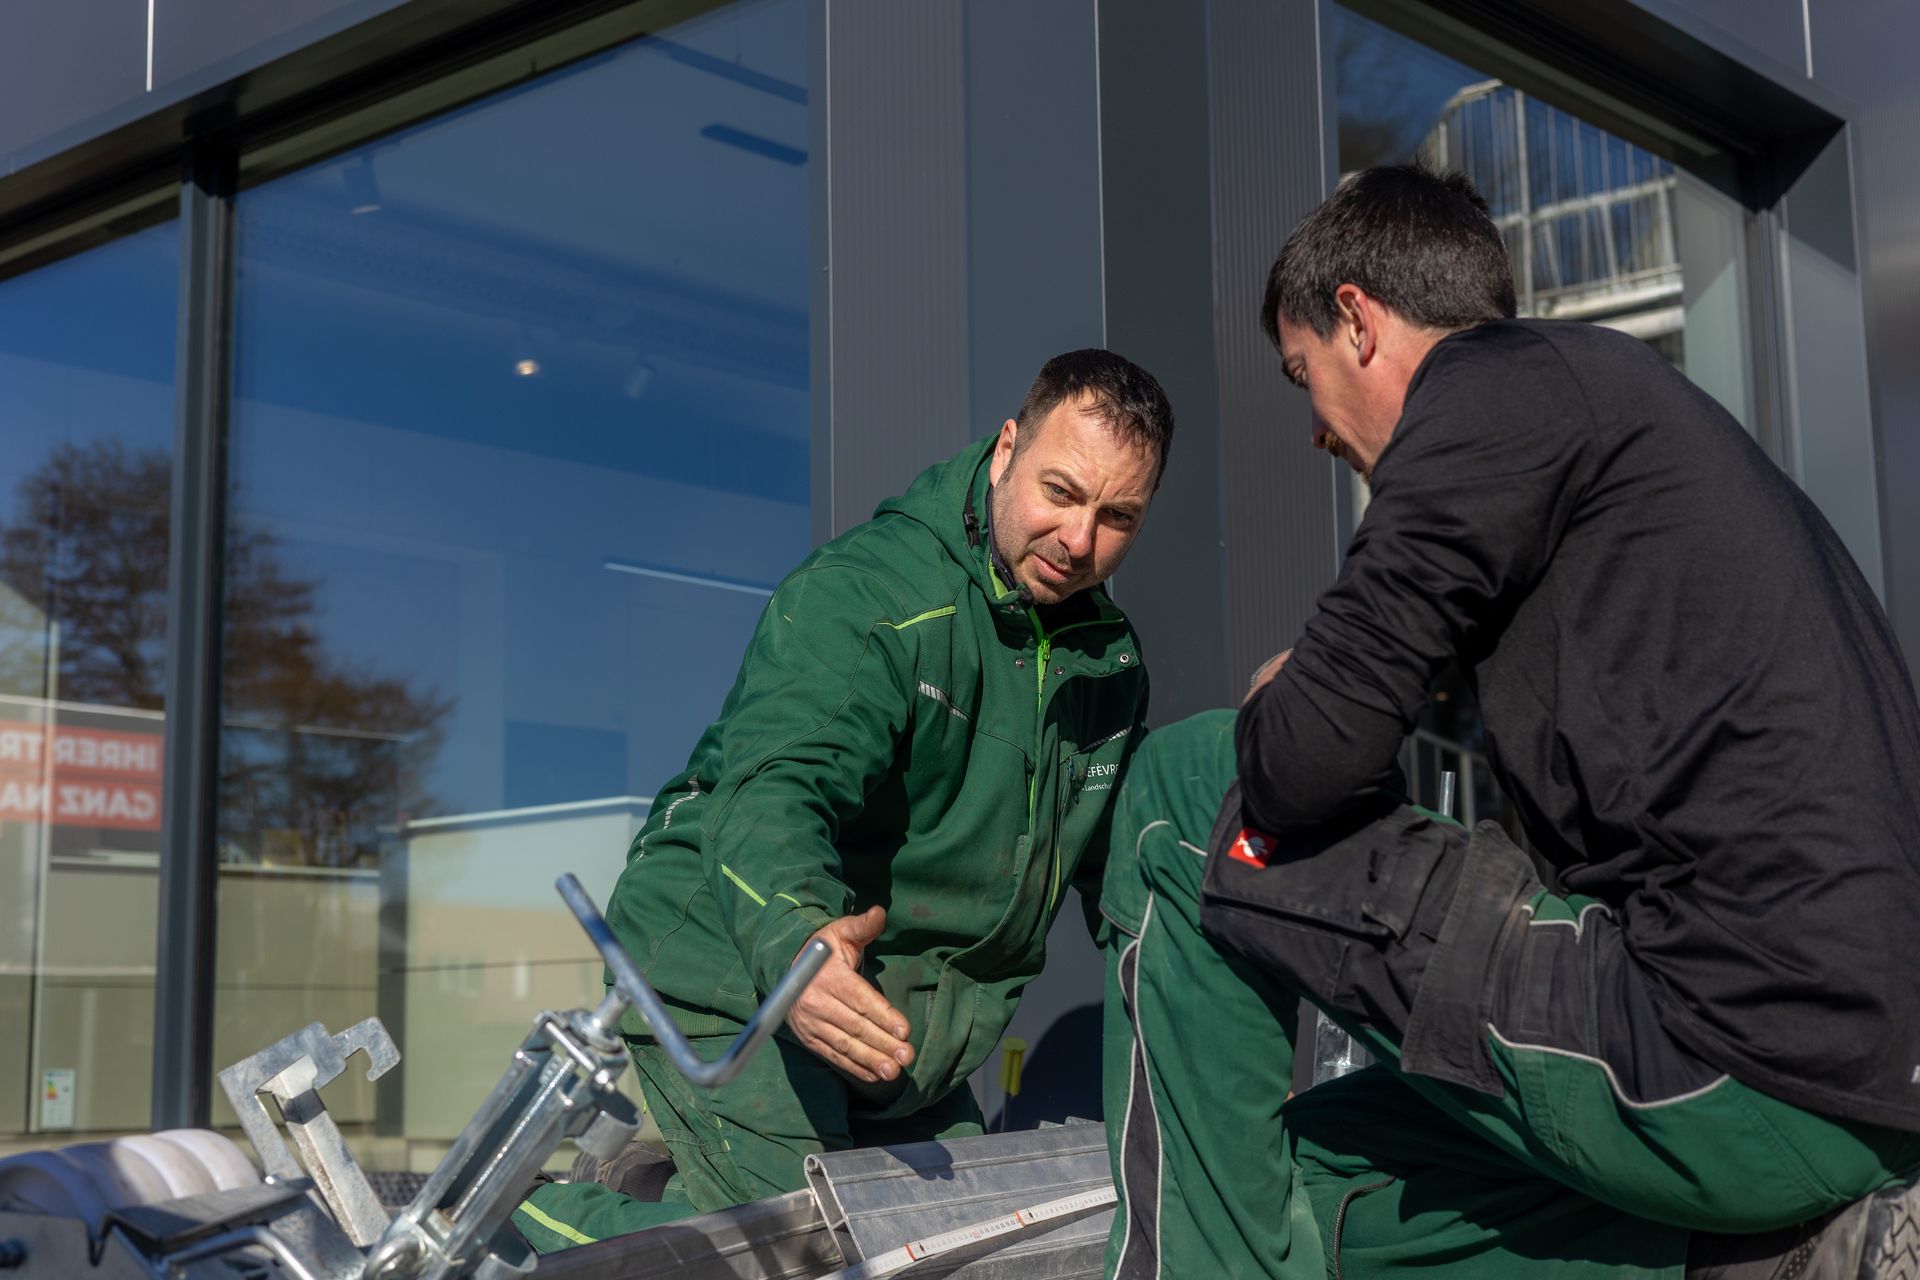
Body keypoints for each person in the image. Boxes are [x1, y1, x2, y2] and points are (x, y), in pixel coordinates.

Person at [1101, 164, 1920, 1280]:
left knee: (1189, 789)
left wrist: (1287, 700)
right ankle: (1782, 1260)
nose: (1313, 431)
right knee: (1324, 1161)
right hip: (1848, 1093)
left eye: (1302, 376)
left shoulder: (1494, 388)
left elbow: (1299, 765)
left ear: (1359, 319)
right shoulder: (1614, 429)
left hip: (1726, 1046)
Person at [514, 348, 1173, 1252]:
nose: (1078, 538)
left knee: (962, 1253)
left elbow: (1128, 888)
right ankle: (503, 1235)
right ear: (1005, 450)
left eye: (1117, 516)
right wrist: (796, 939)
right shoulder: (872, 595)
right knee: (795, 1253)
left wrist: (1215, 1028)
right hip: (741, 965)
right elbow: (773, 790)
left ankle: (661, 1188)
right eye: (1060, 491)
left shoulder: (1110, 664)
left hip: (899, 1026)